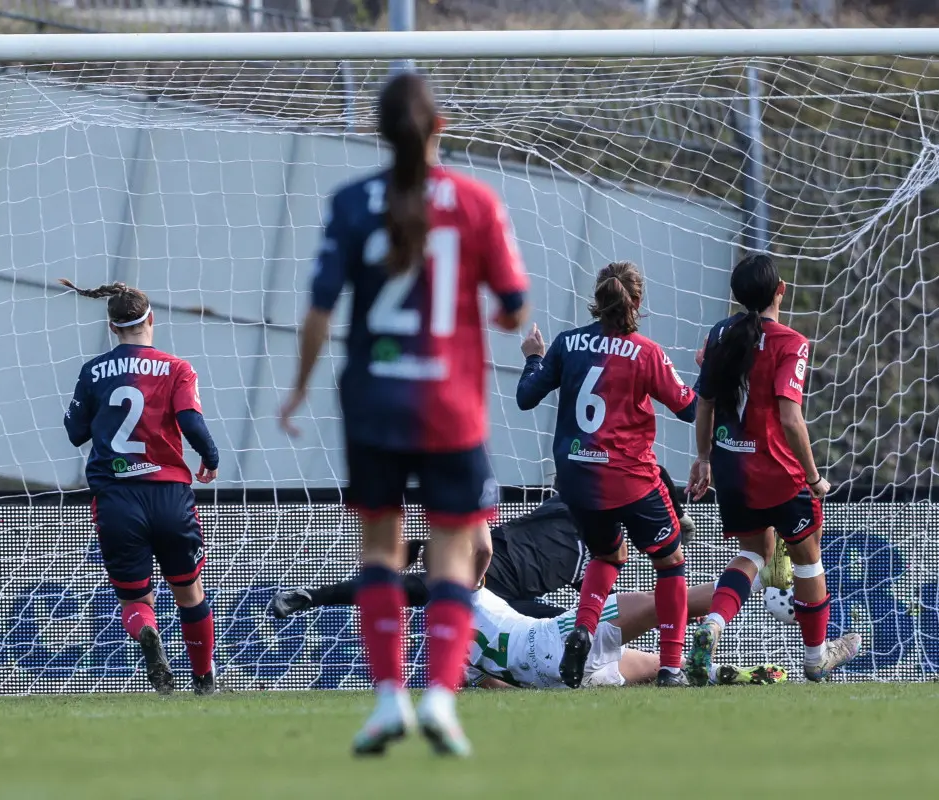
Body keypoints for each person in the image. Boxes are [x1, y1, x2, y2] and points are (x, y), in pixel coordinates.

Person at [278, 72, 529, 757]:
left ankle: (389, 699)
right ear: (440, 126)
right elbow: (512, 308)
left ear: (377, 133)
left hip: (372, 405)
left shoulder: (352, 202)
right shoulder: (477, 203)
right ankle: (441, 703)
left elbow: (319, 314)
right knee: (457, 552)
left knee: (380, 551)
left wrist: (298, 391)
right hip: (451, 406)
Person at [516, 262, 696, 688]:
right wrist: (711, 373)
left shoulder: (566, 343)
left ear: (597, 300)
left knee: (607, 555)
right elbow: (690, 408)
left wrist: (533, 357)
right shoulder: (647, 353)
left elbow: (526, 397)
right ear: (637, 302)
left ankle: (583, 630)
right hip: (629, 478)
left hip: (576, 480)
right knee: (670, 564)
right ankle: (671, 666)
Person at [685, 254, 861, 684]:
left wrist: (705, 458)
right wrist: (815, 476)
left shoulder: (718, 334)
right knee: (807, 560)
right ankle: (816, 658)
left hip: (730, 467)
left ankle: (712, 626)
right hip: (779, 474)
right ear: (780, 290)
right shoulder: (791, 342)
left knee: (753, 555)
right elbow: (789, 417)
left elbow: (703, 403)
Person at [61, 280, 220, 696]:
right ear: (151, 319)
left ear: (112, 328)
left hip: (115, 498)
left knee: (136, 601)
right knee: (189, 593)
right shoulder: (177, 368)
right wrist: (211, 457)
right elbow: (191, 423)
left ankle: (149, 636)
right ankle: (203, 680)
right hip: (168, 494)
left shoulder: (93, 371)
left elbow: (75, 432)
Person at [268, 474, 696, 623]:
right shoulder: (478, 593)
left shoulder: (579, 513)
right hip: (508, 610)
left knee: (592, 624)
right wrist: (315, 597)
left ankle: (681, 638)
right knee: (577, 631)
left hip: (514, 592)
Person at [465, 586, 787, 690]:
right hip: (557, 638)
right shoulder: (471, 591)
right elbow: (481, 550)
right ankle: (756, 576)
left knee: (660, 666)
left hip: (559, 682)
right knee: (663, 600)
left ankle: (717, 673)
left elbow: (494, 687)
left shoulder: (449, 646)